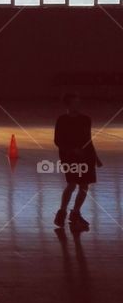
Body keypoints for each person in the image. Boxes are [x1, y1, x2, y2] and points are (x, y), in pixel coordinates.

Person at [54, 92, 102, 230]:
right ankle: (62, 212)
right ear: (68, 104)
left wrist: (96, 158)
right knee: (72, 184)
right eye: (75, 102)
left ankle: (75, 212)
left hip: (86, 156)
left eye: (78, 102)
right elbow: (58, 141)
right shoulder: (62, 120)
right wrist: (72, 150)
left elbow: (88, 140)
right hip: (69, 157)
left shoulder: (86, 119)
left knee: (84, 186)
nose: (78, 105)